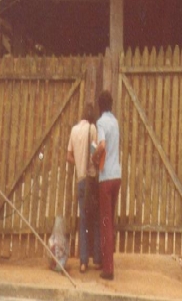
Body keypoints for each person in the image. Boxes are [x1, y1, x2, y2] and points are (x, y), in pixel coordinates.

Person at [66, 104, 101, 272]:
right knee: (95, 217)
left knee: (83, 219)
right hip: (91, 180)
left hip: (80, 179)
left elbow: (68, 156)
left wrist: (79, 164)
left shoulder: (73, 131)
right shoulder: (92, 129)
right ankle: (96, 259)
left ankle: (83, 261)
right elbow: (95, 154)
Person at [94, 90, 121, 281]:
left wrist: (94, 156)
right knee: (109, 221)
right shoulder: (115, 121)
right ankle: (107, 261)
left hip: (105, 178)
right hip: (117, 175)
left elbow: (102, 145)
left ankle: (108, 268)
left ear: (100, 105)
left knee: (105, 223)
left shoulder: (101, 122)